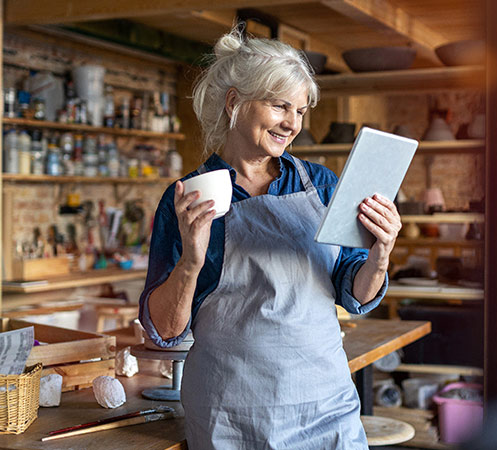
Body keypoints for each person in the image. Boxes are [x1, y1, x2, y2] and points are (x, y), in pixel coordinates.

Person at [138, 27, 401, 449]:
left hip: (325, 407)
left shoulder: (321, 184)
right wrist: (190, 261)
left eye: (300, 111)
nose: (292, 124)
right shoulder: (188, 198)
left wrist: (381, 254)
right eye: (280, 106)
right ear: (234, 102)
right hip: (232, 416)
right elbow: (164, 331)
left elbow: (354, 292)